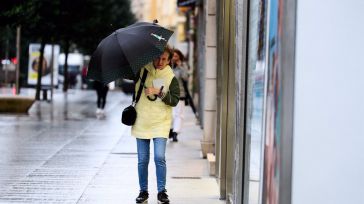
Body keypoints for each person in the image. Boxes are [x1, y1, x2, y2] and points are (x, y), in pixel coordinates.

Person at [132, 45, 179, 204]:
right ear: (152, 57)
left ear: (169, 60)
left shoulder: (170, 76)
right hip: (142, 121)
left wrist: (159, 92)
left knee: (159, 157)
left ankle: (162, 192)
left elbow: (174, 100)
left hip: (161, 122)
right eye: (158, 58)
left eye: (164, 59)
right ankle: (143, 191)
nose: (160, 62)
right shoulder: (141, 71)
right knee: (142, 160)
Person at [169, 49, 189, 142]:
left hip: (180, 93)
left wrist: (181, 66)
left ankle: (175, 133)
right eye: (173, 56)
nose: (174, 58)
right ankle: (170, 129)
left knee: (178, 114)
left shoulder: (183, 66)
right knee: (171, 114)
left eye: (176, 56)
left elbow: (185, 77)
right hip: (168, 93)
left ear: (180, 57)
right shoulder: (168, 66)